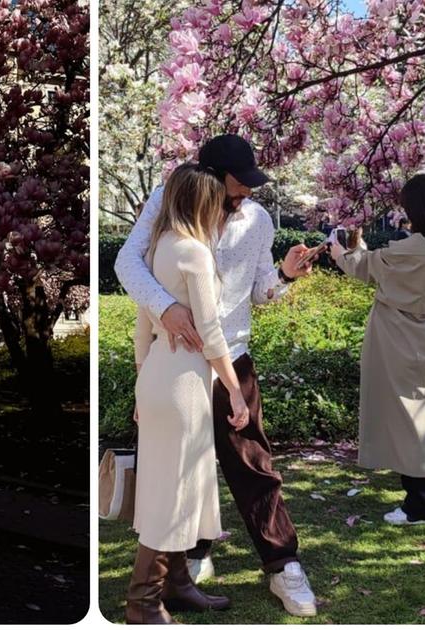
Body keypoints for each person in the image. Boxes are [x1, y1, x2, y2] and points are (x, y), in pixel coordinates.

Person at [114, 135, 318, 617]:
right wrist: (165, 308)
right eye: (239, 183)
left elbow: (260, 291)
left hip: (232, 358)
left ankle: (282, 564)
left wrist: (284, 277)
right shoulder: (170, 201)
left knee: (253, 465)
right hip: (180, 361)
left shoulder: (258, 220)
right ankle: (182, 565)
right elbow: (128, 263)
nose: (246, 192)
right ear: (209, 177)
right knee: (183, 473)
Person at [127, 163, 251, 624]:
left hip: (159, 372)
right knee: (174, 492)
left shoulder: (158, 249)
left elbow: (143, 326)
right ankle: (143, 601)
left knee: (174, 485)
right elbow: (212, 333)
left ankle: (177, 584)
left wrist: (142, 384)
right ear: (204, 201)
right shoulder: (195, 253)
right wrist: (236, 393)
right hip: (184, 381)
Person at [331, 173, 425, 524]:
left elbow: (362, 267)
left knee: (410, 420)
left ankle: (420, 503)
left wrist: (341, 250)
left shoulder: (404, 250)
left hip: (400, 339)